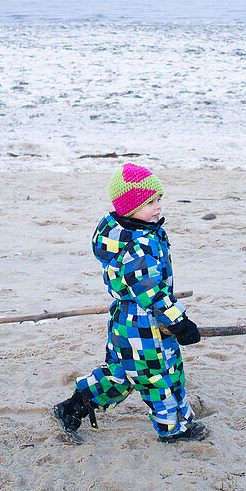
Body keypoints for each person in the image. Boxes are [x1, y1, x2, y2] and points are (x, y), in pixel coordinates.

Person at [52, 163, 208, 443]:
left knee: (120, 375)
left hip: (128, 321)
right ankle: (175, 430)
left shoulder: (138, 233)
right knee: (160, 377)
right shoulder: (138, 246)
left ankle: (72, 407)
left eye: (159, 199)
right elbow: (152, 293)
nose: (158, 206)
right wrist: (180, 321)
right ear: (128, 207)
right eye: (150, 202)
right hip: (144, 326)